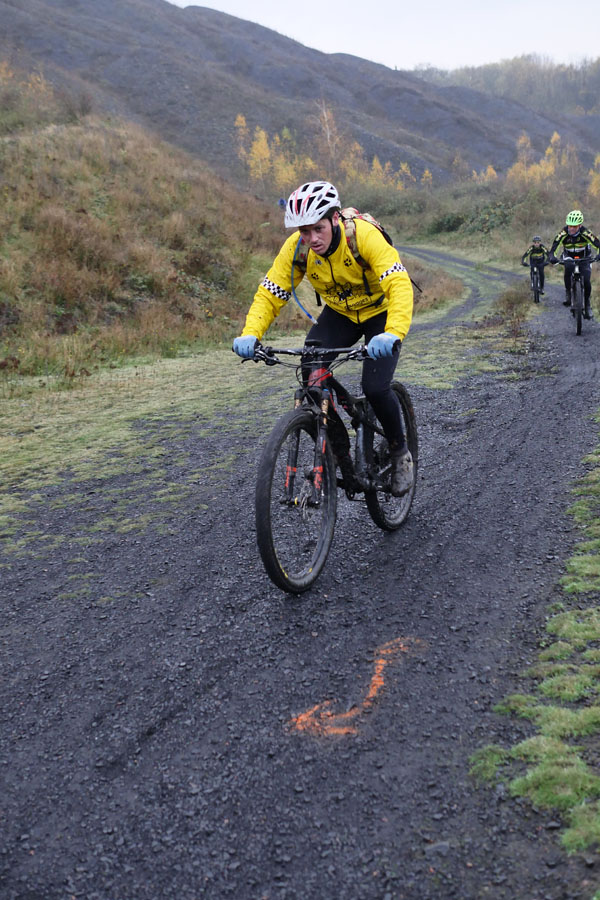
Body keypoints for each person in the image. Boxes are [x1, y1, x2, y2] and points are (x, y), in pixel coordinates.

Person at [232, 180, 414, 497]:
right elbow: (271, 292)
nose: (312, 238)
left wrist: (393, 332)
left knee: (375, 387)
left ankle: (400, 453)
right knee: (311, 374)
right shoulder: (298, 248)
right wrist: (251, 333)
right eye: (304, 231)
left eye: (318, 228)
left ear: (335, 218)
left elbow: (397, 282)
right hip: (341, 314)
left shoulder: (363, 236)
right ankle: (341, 455)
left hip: (380, 313)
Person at [549, 210, 600, 317]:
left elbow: (598, 245)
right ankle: (568, 292)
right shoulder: (563, 233)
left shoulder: (586, 233)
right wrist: (552, 256)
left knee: (586, 281)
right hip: (568, 256)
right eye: (569, 226)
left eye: (574, 226)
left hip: (584, 257)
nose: (571, 228)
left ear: (580, 225)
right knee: (568, 269)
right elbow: (554, 247)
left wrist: (598, 255)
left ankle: (587, 305)